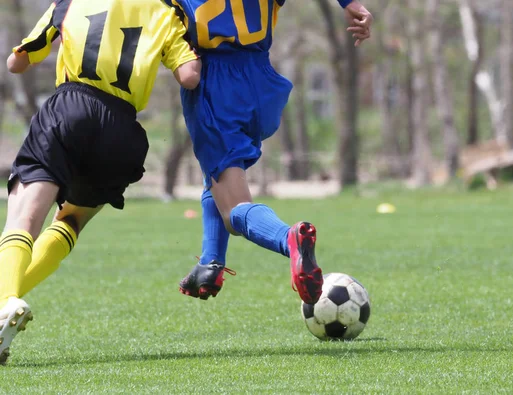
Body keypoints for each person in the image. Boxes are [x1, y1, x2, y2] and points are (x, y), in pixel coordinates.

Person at [0, 0, 201, 364]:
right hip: (121, 131)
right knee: (70, 221)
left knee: (22, 219)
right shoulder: (169, 9)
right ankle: (5, 301)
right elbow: (189, 75)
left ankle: (4, 299)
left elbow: (17, 62)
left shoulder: (71, 2)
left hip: (71, 109)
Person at [165, 0, 373, 305]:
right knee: (220, 172)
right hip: (260, 80)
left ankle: (290, 240)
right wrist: (349, 3)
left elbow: (188, 74)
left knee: (233, 209)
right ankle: (210, 263)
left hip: (215, 85)